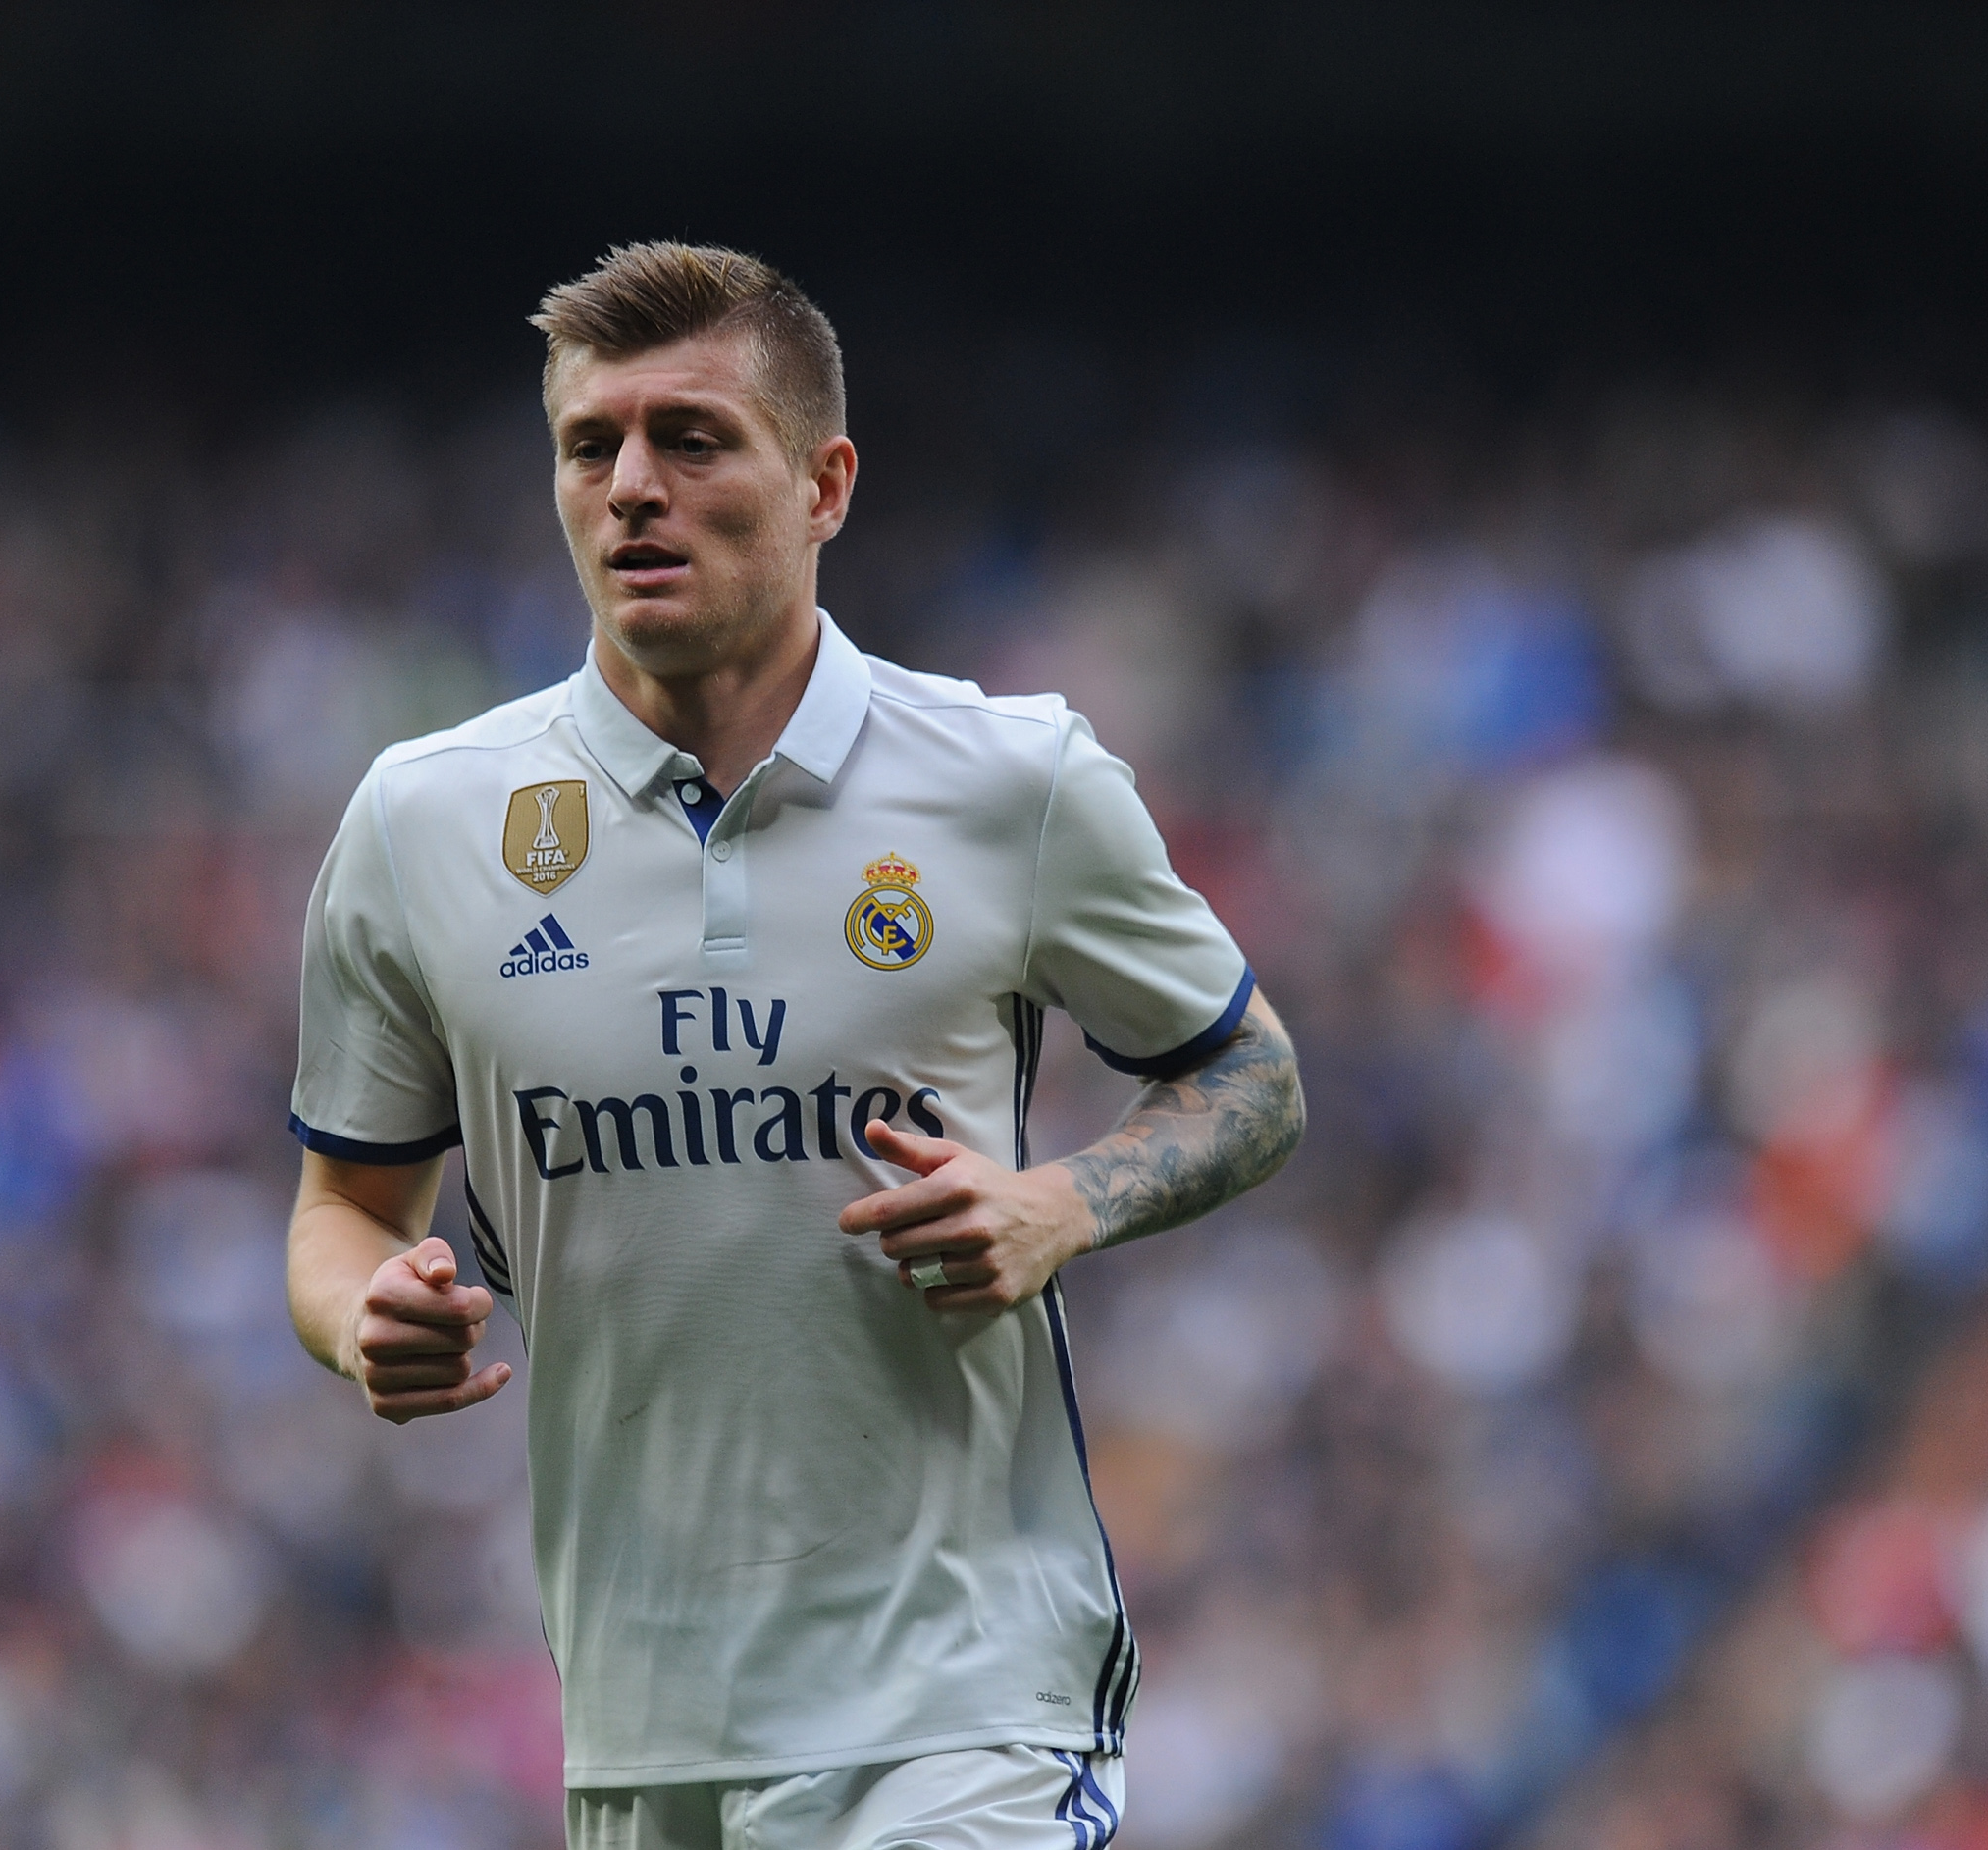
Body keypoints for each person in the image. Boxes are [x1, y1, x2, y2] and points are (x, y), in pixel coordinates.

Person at [284, 241, 1303, 1849]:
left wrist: (1066, 1202)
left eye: (690, 439)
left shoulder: (1010, 778)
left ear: (826, 484)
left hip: (964, 1700)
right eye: (588, 444)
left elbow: (1252, 1073)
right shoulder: (424, 822)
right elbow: (345, 1209)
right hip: (641, 1724)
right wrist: (363, 1322)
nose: (630, 487)